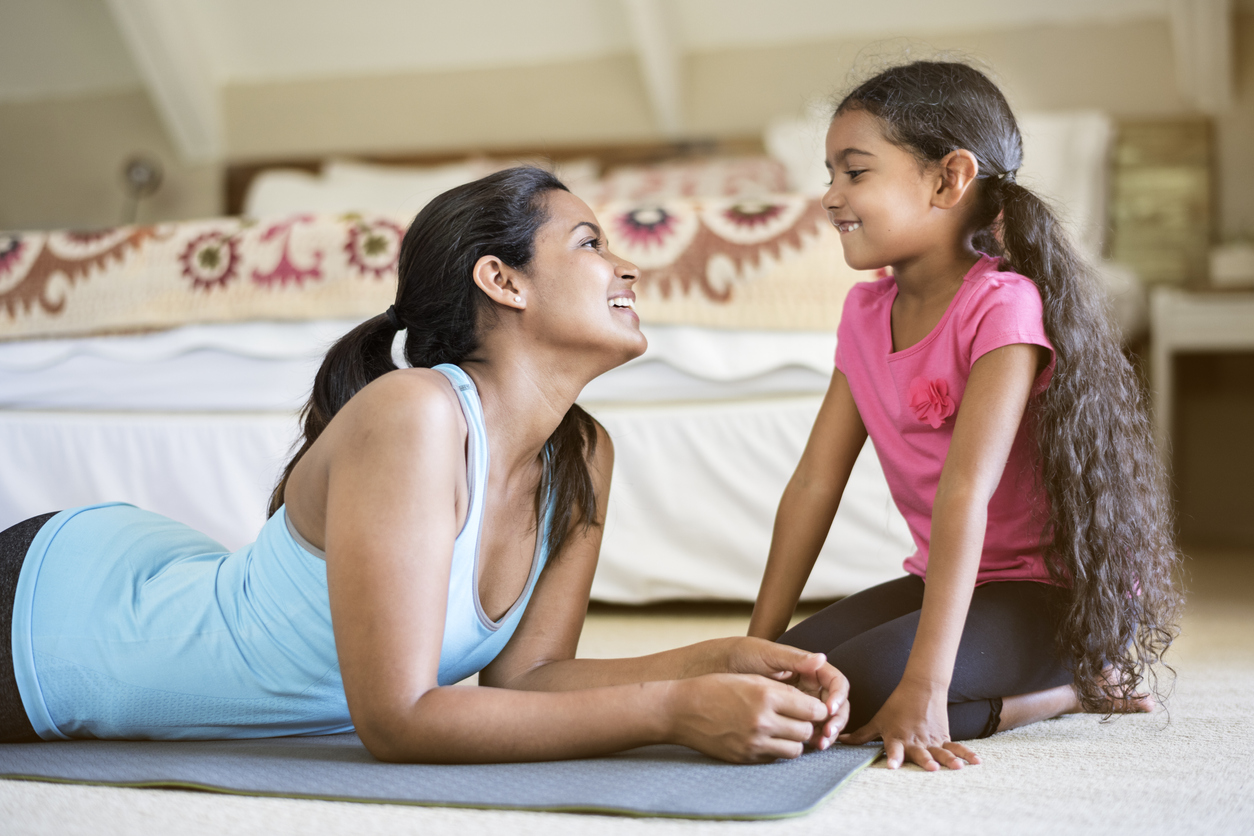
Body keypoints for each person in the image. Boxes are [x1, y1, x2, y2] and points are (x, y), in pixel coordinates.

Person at [1, 167, 848, 763]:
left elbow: (528, 682)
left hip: (147, 575)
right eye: (590, 242)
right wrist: (672, 710)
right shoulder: (416, 415)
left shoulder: (582, 455)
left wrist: (716, 661)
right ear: (501, 280)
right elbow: (399, 722)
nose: (628, 265)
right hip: (55, 621)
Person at [747, 61, 1180, 773]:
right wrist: (753, 649)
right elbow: (812, 486)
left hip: (1046, 598)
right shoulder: (864, 314)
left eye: (855, 173)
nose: (829, 197)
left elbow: (964, 492)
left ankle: (1069, 689)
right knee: (790, 679)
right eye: (829, 174)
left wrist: (927, 684)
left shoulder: (1001, 306)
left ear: (950, 179)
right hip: (948, 581)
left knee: (849, 693)